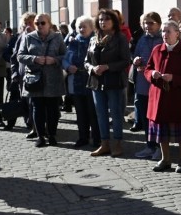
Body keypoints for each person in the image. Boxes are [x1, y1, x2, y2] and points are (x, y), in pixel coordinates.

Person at [145, 20, 181, 173]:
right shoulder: (157, 49)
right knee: (161, 132)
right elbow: (147, 69)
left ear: (177, 33)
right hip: (158, 97)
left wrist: (174, 78)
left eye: (168, 31)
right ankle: (165, 159)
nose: (165, 35)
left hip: (176, 98)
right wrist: (152, 74)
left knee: (180, 133)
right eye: (163, 31)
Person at [86, 8, 131, 157]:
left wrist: (107, 67)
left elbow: (125, 60)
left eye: (106, 19)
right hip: (96, 82)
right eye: (100, 20)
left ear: (113, 22)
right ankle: (104, 144)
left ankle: (117, 143)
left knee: (116, 114)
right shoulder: (94, 39)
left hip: (114, 82)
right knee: (101, 114)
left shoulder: (120, 38)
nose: (103, 22)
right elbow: (86, 61)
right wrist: (92, 68)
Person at [16, 13, 66, 147]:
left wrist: (54, 60)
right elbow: (20, 56)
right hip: (35, 79)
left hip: (53, 79)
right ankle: (40, 136)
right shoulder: (28, 37)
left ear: (49, 24)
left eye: (42, 23)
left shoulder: (57, 37)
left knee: (53, 110)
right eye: (37, 23)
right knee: (37, 109)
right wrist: (34, 59)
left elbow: (65, 56)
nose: (39, 26)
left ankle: (52, 135)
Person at [62, 16, 100, 148]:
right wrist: (67, 66)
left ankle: (97, 139)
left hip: (92, 80)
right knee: (80, 111)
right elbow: (65, 58)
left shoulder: (96, 41)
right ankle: (82, 137)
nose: (82, 29)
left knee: (93, 112)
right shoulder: (73, 42)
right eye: (80, 27)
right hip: (76, 81)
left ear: (92, 28)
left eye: (85, 27)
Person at [131, 12, 162, 135]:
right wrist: (135, 61)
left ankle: (158, 144)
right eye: (145, 23)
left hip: (156, 82)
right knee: (144, 114)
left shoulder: (162, 38)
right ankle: (149, 144)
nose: (147, 26)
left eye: (151, 23)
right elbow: (135, 55)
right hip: (142, 82)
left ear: (158, 24)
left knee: (156, 115)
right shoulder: (142, 39)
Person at [9, 12, 37, 134]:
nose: (27, 26)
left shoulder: (39, 37)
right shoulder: (20, 37)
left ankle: (35, 125)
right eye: (25, 23)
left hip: (36, 75)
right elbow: (14, 57)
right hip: (22, 76)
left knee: (34, 102)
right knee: (24, 101)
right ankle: (29, 124)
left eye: (30, 23)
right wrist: (14, 73)